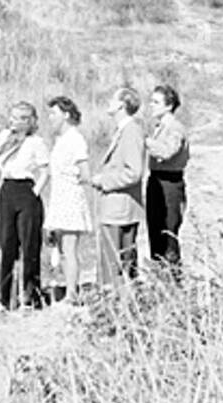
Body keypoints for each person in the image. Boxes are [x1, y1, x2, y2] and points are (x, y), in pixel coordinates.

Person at [0, 101, 50, 310]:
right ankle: (5, 298)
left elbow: (45, 171)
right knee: (7, 244)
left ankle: (30, 295)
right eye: (12, 116)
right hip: (7, 190)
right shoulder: (3, 138)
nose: (12, 121)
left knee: (29, 245)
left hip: (26, 189)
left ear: (27, 121)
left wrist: (35, 193)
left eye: (18, 118)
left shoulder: (36, 143)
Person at [92, 86, 147, 286]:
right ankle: (123, 305)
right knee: (123, 263)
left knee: (113, 264)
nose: (109, 102)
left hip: (119, 208)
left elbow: (134, 172)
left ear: (122, 105)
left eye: (113, 99)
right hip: (120, 207)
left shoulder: (131, 130)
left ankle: (112, 305)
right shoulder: (125, 130)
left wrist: (104, 181)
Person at [43, 96, 92, 302]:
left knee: (69, 248)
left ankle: (72, 293)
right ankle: (68, 289)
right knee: (61, 248)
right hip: (58, 197)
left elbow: (85, 173)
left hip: (70, 197)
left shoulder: (75, 139)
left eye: (54, 113)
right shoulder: (60, 141)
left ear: (66, 115)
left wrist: (75, 187)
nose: (50, 118)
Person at [146, 84, 190, 273]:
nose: (151, 106)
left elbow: (167, 152)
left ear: (169, 105)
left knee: (167, 232)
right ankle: (160, 276)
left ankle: (172, 278)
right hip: (157, 180)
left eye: (156, 102)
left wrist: (145, 141)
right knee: (155, 230)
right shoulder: (160, 127)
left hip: (170, 183)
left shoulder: (175, 128)